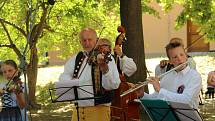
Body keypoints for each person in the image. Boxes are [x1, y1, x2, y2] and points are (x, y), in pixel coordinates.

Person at [55, 28, 121, 121]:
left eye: (90, 39)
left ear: (97, 40)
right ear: (80, 42)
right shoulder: (76, 58)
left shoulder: (106, 57)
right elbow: (64, 76)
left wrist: (104, 69)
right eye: (84, 40)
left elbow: (114, 84)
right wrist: (71, 82)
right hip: (77, 112)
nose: (87, 43)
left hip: (98, 112)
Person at [142, 41, 202, 109]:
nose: (179, 59)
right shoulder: (167, 76)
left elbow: (186, 100)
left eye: (181, 55)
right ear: (170, 61)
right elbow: (156, 97)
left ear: (186, 56)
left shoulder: (194, 76)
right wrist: (142, 95)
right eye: (175, 57)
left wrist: (160, 90)